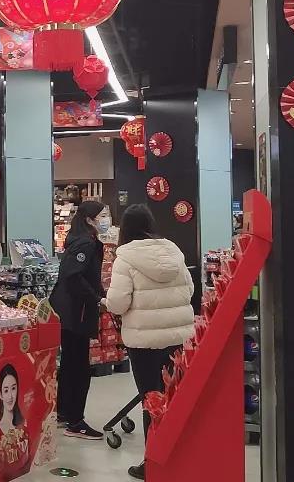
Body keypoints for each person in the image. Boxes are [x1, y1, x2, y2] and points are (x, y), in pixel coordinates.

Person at [105, 204, 194, 480]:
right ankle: (178, 459)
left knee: (152, 401)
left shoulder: (125, 258)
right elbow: (190, 289)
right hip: (178, 338)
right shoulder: (173, 251)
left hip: (144, 343)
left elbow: (118, 303)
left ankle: (153, 463)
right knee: (175, 399)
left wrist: (106, 301)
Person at [48, 200, 109, 440]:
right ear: (89, 219)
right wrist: (96, 298)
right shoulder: (86, 243)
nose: (106, 220)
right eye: (102, 215)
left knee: (70, 363)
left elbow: (84, 276)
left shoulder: (81, 240)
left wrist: (100, 293)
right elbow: (72, 276)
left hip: (68, 311)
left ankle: (64, 412)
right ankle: (75, 421)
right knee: (79, 367)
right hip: (76, 312)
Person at [0, 364, 31, 480]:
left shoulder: (24, 425)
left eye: (13, 389)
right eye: (6, 390)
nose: (10, 396)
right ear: (0, 394)